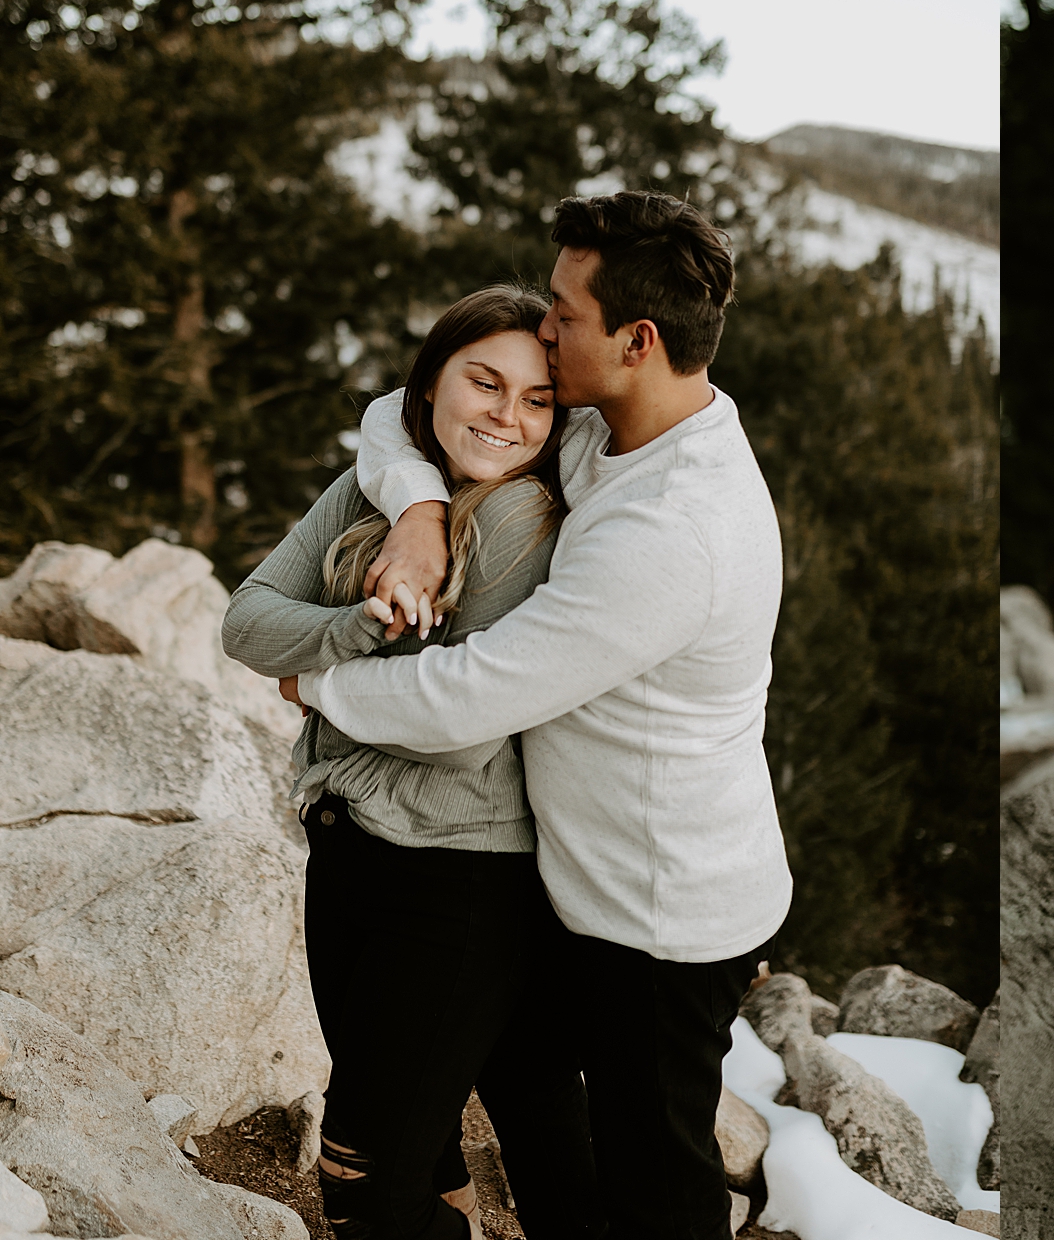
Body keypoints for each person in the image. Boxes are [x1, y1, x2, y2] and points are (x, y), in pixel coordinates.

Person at [288, 191, 790, 1240]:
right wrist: (422, 510)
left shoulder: (674, 528)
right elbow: (400, 407)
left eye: (562, 313)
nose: (543, 328)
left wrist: (314, 681)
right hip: (571, 874)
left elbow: (474, 694)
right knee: (534, 1104)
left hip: (661, 915)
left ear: (636, 338)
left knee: (654, 1181)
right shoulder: (612, 427)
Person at [222, 283, 599, 1240]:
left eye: (538, 399)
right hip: (343, 847)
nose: (507, 417)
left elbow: (464, 727)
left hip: (458, 885)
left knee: (359, 1172)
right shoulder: (374, 486)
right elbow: (247, 621)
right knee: (419, 1158)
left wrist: (314, 680)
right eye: (484, 382)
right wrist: (355, 624)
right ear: (431, 384)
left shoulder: (520, 521)